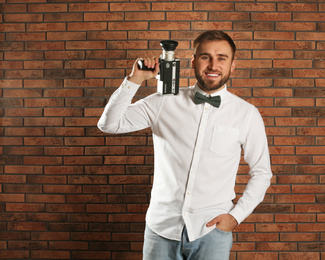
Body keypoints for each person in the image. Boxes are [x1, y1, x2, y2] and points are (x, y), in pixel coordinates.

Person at [98, 30, 272, 260]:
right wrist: (135, 80)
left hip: (211, 232)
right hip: (161, 229)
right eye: (205, 57)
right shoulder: (164, 101)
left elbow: (261, 173)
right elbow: (109, 125)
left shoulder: (247, 114)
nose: (213, 65)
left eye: (222, 58)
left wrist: (236, 216)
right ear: (192, 61)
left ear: (233, 65)